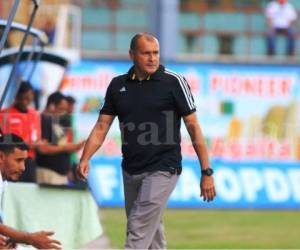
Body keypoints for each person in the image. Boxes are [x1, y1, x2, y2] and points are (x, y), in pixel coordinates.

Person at [77, 33, 216, 249]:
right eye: (146, 53)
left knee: (137, 229)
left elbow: (194, 127)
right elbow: (102, 126)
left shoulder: (174, 82)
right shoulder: (117, 85)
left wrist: (206, 171)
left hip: (163, 167)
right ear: (132, 55)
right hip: (130, 168)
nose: (152, 58)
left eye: (156, 53)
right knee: (152, 235)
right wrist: (86, 157)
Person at [0, 133, 61, 249]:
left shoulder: (4, 181)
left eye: (24, 161)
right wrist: (29, 238)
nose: (23, 167)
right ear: (1, 157)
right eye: (18, 160)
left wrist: (11, 238)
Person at [36, 92, 84, 185]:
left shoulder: (58, 123)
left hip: (61, 175)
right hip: (48, 172)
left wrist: (74, 147)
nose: (64, 113)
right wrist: (66, 148)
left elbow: (62, 146)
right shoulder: (43, 120)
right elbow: (42, 148)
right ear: (51, 106)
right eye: (61, 109)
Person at [0, 81, 41, 183]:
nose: (26, 101)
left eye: (29, 98)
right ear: (17, 96)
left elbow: (38, 139)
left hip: (30, 161)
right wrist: (28, 145)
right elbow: (5, 139)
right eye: (24, 98)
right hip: (12, 159)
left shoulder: (35, 114)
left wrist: (36, 144)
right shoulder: (5, 114)